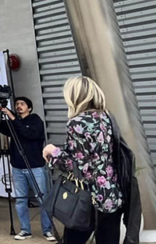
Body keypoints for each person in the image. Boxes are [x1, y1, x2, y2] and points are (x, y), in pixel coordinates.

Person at [43, 77, 124, 244]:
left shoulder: (77, 122)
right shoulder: (107, 118)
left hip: (86, 199)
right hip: (111, 195)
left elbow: (76, 164)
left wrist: (52, 151)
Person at [0, 96, 54, 241]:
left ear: (29, 108)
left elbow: (29, 134)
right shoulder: (14, 123)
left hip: (35, 167)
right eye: (16, 104)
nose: (18, 106)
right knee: (21, 200)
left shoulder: (35, 120)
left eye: (22, 104)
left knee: (43, 199)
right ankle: (25, 230)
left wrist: (12, 117)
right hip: (17, 167)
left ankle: (47, 230)